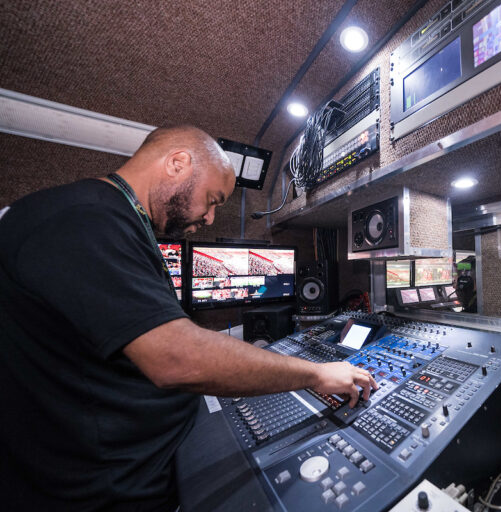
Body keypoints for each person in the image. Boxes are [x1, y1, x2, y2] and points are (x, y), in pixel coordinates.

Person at [0, 125, 377, 511]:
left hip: (139, 469)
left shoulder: (104, 218)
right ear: (178, 163)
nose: (211, 218)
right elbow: (177, 358)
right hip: (101, 492)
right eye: (213, 200)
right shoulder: (86, 219)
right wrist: (315, 374)